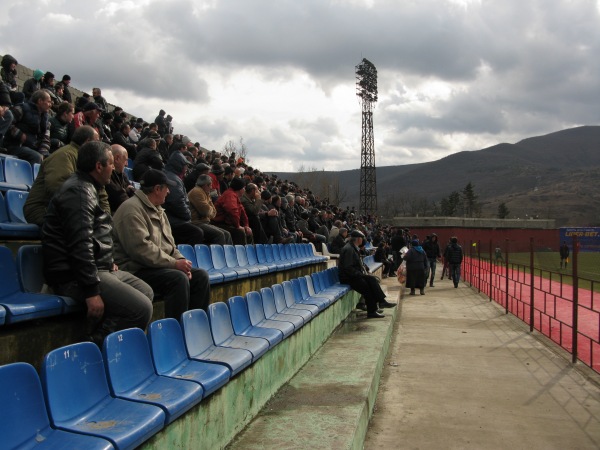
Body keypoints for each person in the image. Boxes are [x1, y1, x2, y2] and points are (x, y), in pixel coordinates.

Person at [42, 141, 154, 346]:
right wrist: (91, 291)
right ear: (99, 166)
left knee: (146, 291)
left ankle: (116, 346)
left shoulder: (88, 188)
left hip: (98, 268)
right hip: (74, 275)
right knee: (141, 308)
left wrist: (107, 260)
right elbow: (80, 243)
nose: (114, 168)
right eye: (111, 163)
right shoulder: (79, 192)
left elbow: (93, 239)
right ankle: (94, 344)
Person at [112, 169, 211, 319]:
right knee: (178, 279)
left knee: (201, 277)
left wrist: (181, 262)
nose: (169, 192)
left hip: (155, 266)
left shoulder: (159, 211)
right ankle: (176, 330)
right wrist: (174, 264)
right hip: (135, 268)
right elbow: (140, 250)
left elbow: (170, 245)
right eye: (166, 188)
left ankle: (194, 325)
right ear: (157, 189)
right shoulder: (131, 210)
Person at [24, 125, 107, 226]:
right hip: (42, 209)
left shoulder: (88, 159)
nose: (99, 145)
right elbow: (58, 187)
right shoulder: (64, 155)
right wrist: (86, 209)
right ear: (87, 142)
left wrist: (105, 216)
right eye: (97, 141)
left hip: (70, 209)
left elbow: (101, 192)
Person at [338, 230, 396, 318]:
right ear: (358, 239)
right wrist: (361, 275)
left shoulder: (352, 247)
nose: (362, 240)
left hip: (353, 276)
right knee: (367, 288)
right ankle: (373, 310)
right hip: (348, 277)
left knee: (372, 280)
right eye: (361, 238)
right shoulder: (349, 249)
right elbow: (348, 268)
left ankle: (380, 303)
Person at [163, 151, 205, 245]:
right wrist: (188, 216)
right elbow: (176, 203)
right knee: (197, 233)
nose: (186, 168)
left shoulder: (172, 176)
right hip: (172, 220)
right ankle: (183, 257)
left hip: (173, 218)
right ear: (179, 166)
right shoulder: (173, 180)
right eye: (185, 165)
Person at [4, 89, 52, 164]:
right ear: (40, 101)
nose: (50, 105)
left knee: (52, 161)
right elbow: (7, 123)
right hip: (15, 146)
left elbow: (46, 139)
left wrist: (43, 153)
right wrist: (19, 135)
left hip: (33, 149)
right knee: (36, 157)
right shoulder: (22, 108)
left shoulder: (46, 120)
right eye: (48, 102)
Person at [188, 173, 233, 245]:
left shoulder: (205, 193)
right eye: (211, 185)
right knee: (220, 235)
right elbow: (205, 212)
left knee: (227, 234)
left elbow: (214, 213)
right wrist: (210, 210)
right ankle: (218, 256)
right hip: (197, 223)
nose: (211, 187)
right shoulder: (196, 192)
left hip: (204, 222)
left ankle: (228, 256)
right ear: (206, 185)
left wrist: (210, 210)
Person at [212, 176, 253, 245]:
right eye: (244, 188)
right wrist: (238, 226)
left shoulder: (234, 195)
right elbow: (232, 211)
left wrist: (246, 225)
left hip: (227, 223)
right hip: (219, 223)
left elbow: (242, 212)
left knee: (248, 231)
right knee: (239, 232)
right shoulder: (230, 195)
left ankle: (248, 252)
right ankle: (241, 254)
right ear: (240, 189)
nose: (244, 190)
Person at [106, 144, 135, 213]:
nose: (127, 164)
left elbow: (133, 192)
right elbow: (120, 199)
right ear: (117, 159)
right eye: (125, 160)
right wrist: (127, 190)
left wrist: (125, 190)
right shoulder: (106, 175)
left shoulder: (122, 174)